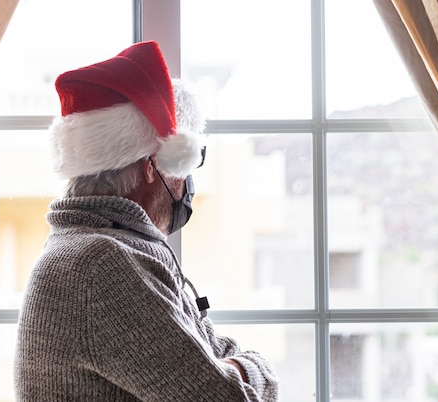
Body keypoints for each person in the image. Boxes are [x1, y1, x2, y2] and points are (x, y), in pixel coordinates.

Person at [14, 41, 279, 401]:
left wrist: (229, 368)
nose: (186, 183)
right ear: (152, 165)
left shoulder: (111, 249)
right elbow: (228, 397)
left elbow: (213, 350)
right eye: (185, 165)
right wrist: (252, 369)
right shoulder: (103, 265)